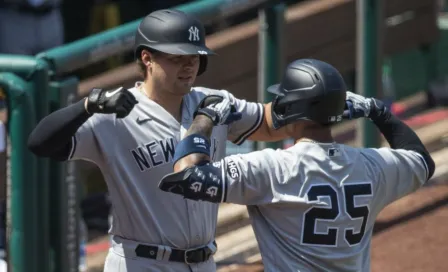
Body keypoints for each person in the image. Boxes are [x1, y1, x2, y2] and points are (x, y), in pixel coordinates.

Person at [27, 9, 297, 272]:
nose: (188, 65)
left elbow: (270, 124)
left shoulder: (212, 103)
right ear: (147, 58)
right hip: (141, 262)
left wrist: (325, 102)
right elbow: (40, 143)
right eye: (177, 57)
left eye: (194, 56)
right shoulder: (115, 113)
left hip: (203, 262)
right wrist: (86, 105)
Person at [158, 58, 436, 272]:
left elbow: (187, 175)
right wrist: (378, 112)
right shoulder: (371, 165)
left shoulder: (272, 169)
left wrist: (205, 117)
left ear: (292, 109)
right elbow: (421, 160)